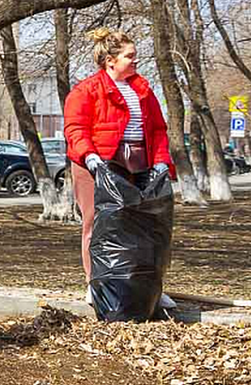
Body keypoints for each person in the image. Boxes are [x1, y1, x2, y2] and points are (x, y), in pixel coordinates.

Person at [63, 27, 175, 309]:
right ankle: (96, 286)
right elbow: (75, 129)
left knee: (145, 228)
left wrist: (162, 161)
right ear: (110, 60)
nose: (135, 61)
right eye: (130, 56)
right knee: (96, 225)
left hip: (137, 166)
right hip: (96, 167)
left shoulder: (143, 90)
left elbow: (158, 129)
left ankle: (148, 289)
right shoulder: (86, 90)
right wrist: (90, 157)